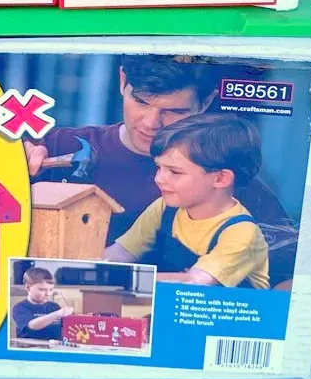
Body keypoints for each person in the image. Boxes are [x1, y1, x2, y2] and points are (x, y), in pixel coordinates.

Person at [24, 54, 297, 287]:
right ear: (122, 81)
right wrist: (9, 162)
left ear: (205, 103)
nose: (151, 123)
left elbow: (289, 284)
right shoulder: (56, 147)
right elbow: (118, 253)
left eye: (174, 111)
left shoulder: (238, 189)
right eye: (141, 102)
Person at [104, 114, 270, 288]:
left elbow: (195, 282)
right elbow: (122, 252)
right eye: (159, 167)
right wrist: (88, 270)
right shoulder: (164, 207)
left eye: (175, 172)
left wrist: (119, 279)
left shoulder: (242, 233)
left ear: (221, 178)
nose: (158, 179)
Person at [11, 267, 73, 341]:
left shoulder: (54, 307)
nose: (48, 294)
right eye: (42, 290)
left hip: (54, 345)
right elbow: (32, 325)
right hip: (30, 346)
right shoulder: (20, 308)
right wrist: (57, 314)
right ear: (28, 287)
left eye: (51, 289)